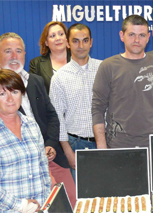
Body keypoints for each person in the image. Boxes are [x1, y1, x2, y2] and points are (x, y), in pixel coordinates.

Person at [0, 32, 75, 207]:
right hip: (17, 169)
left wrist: (50, 144)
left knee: (69, 204)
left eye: (19, 51)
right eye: (8, 51)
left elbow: (52, 115)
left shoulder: (36, 81)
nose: (14, 57)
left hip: (51, 157)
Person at [0, 69, 51, 213]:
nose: (10, 98)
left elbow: (43, 167)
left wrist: (44, 201)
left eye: (15, 92)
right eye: (2, 94)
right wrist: (21, 205)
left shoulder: (32, 125)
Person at [92, 15, 153, 148]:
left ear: (148, 37)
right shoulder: (108, 66)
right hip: (117, 144)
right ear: (122, 35)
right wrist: (102, 147)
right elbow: (98, 108)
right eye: (131, 34)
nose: (136, 40)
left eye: (142, 35)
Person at [49, 23, 101, 187]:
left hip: (105, 142)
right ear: (68, 43)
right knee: (85, 198)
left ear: (91, 42)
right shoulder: (59, 77)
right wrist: (68, 151)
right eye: (75, 41)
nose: (81, 46)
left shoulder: (104, 69)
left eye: (85, 40)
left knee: (108, 195)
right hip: (77, 145)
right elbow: (57, 118)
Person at [29, 21, 71, 93]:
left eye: (61, 34)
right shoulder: (36, 64)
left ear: (66, 38)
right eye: (52, 36)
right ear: (46, 42)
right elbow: (34, 93)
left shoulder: (77, 60)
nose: (58, 38)